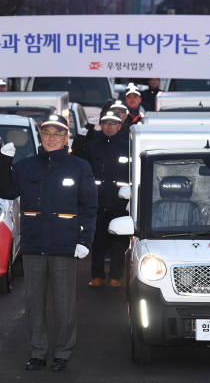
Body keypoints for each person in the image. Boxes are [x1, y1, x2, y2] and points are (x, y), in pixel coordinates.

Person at [0, 115, 97, 372]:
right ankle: (38, 352)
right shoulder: (27, 166)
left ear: (66, 138)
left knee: (64, 305)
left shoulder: (79, 167)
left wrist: (84, 239)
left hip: (65, 245)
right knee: (34, 303)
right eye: (47, 133)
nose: (51, 138)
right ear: (41, 135)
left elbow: (89, 206)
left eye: (57, 134)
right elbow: (5, 191)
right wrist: (4, 162)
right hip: (34, 244)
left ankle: (63, 351)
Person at [79, 111, 130, 287]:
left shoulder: (128, 146)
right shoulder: (92, 147)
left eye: (113, 123)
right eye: (106, 123)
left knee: (119, 242)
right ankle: (97, 276)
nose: (109, 126)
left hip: (120, 203)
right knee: (98, 240)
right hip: (98, 202)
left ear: (120, 126)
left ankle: (116, 276)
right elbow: (80, 163)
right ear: (101, 125)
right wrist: (82, 134)